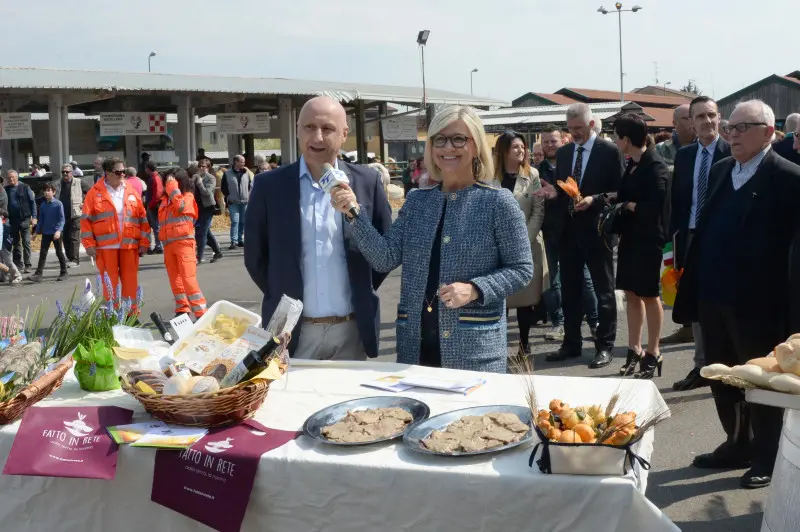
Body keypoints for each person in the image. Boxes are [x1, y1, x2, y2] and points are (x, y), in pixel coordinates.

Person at [332, 105, 533, 372]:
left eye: (459, 139)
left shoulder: (498, 202)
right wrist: (354, 213)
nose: (448, 147)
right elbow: (384, 257)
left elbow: (521, 269)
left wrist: (475, 289)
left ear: (476, 146)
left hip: (473, 352)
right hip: (414, 348)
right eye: (440, 139)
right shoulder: (417, 201)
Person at [673, 100, 800, 490]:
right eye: (732, 127)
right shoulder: (723, 170)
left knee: (760, 381)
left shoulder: (789, 177)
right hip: (713, 293)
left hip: (761, 303)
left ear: (768, 132)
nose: (733, 134)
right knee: (720, 374)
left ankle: (766, 455)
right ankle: (736, 442)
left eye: (743, 127)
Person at [244, 96, 392, 361]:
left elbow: (384, 252)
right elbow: (256, 258)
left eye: (328, 128)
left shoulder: (366, 181)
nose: (318, 137)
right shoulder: (269, 186)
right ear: (298, 130)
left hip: (351, 330)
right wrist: (281, 288)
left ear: (344, 134)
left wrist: (361, 288)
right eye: (309, 127)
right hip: (292, 333)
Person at [535, 103, 624, 369]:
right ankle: (571, 343)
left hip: (597, 231)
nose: (574, 134)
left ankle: (605, 346)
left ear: (592, 124)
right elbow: (564, 189)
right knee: (571, 290)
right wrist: (554, 193)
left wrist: (594, 200)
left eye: (579, 129)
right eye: (570, 129)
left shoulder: (609, 151)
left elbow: (620, 190)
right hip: (568, 230)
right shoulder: (564, 154)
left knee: (603, 290)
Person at [669, 96, 731, 391]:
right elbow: (679, 202)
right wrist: (675, 246)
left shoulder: (733, 152)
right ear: (690, 123)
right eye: (700, 117)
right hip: (691, 236)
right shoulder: (684, 156)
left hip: (724, 238)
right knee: (696, 303)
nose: (707, 121)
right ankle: (701, 366)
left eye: (712, 115)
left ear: (720, 118)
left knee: (726, 301)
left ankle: (731, 366)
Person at [610, 114, 670, 378]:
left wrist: (627, 205)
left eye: (615, 136)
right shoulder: (632, 163)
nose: (613, 140)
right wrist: (603, 199)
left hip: (648, 238)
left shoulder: (655, 165)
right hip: (630, 236)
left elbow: (654, 207)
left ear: (625, 139)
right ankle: (634, 348)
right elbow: (624, 194)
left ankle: (654, 351)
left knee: (648, 294)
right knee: (631, 293)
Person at [537, 125, 600, 343]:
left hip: (574, 230)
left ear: (563, 141)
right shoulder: (536, 171)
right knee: (551, 281)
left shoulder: (573, 165)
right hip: (549, 232)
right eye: (545, 141)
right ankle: (559, 323)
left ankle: (595, 323)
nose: (549, 145)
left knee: (585, 279)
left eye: (553, 141)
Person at [492, 130, 547, 356]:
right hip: (495, 246)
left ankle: (524, 343)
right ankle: (497, 344)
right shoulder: (488, 176)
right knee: (500, 297)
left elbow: (538, 209)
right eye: (516, 147)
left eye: (523, 147)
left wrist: (524, 238)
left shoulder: (531, 174)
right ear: (504, 150)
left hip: (527, 242)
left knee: (525, 298)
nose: (522, 151)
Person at [81, 157, 150, 312]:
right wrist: (89, 244)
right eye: (118, 172)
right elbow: (86, 221)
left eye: (123, 172)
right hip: (106, 247)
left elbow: (142, 219)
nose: (122, 175)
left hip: (129, 245)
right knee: (109, 284)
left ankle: (131, 315)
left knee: (130, 282)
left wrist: (144, 242)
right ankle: (112, 315)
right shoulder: (94, 193)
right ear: (107, 173)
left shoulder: (131, 191)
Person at [159, 169, 207, 318]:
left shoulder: (187, 197)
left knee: (188, 279)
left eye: (171, 180)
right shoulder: (165, 201)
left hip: (184, 243)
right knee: (175, 280)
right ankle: (182, 309)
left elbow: (180, 207)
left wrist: (173, 186)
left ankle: (200, 312)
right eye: (167, 181)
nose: (168, 183)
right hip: (168, 244)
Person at [52, 163, 89, 268]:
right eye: (63, 172)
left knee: (74, 238)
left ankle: (75, 260)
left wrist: (84, 202)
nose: (65, 174)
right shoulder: (57, 183)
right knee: (65, 238)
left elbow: (92, 192)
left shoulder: (79, 182)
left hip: (75, 214)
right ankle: (70, 257)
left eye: (67, 172)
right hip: (61, 215)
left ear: (72, 173)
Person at [29, 183, 67, 282]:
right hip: (46, 233)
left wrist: (58, 231)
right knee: (43, 253)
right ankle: (38, 274)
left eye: (49, 190)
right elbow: (41, 220)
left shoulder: (58, 204)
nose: (46, 192)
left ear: (53, 192)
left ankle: (64, 272)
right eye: (45, 190)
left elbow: (62, 220)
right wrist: (36, 233)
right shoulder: (43, 205)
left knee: (59, 253)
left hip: (56, 233)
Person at [3, 170, 36, 273]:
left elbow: (32, 202)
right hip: (12, 220)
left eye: (12, 177)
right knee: (15, 242)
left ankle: (28, 264)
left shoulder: (25, 187)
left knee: (26, 241)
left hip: (24, 219)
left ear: (17, 177)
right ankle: (18, 264)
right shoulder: (6, 189)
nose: (11, 179)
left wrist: (34, 217)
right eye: (9, 178)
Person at [194, 157, 223, 264]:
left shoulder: (211, 178)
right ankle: (217, 251)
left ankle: (199, 257)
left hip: (208, 208)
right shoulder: (196, 177)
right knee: (205, 232)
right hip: (198, 207)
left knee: (202, 232)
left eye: (204, 166)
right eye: (200, 166)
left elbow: (206, 192)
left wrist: (200, 183)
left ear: (208, 167)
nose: (201, 168)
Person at [222, 155, 252, 250]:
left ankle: (240, 240)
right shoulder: (227, 174)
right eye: (241, 162)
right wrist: (229, 196)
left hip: (244, 201)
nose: (243, 163)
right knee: (235, 221)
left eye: (244, 162)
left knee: (242, 222)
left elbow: (249, 186)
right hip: (233, 202)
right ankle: (233, 241)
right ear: (235, 162)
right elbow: (223, 187)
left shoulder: (246, 173)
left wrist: (247, 195)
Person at [655, 104, 695, 171]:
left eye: (695, 117)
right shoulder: (661, 149)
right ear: (675, 123)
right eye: (687, 118)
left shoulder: (705, 147)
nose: (692, 121)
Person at [143, 160, 164, 254]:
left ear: (147, 169)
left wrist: (151, 204)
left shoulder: (155, 178)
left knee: (155, 226)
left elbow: (158, 193)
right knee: (152, 225)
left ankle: (158, 245)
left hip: (153, 206)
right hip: (152, 204)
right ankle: (155, 245)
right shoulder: (155, 177)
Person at [0, 208, 21, 284]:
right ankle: (3, 277)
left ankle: (17, 275)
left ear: (2, 216)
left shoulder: (6, 225)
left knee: (8, 262)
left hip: (5, 245)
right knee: (1, 261)